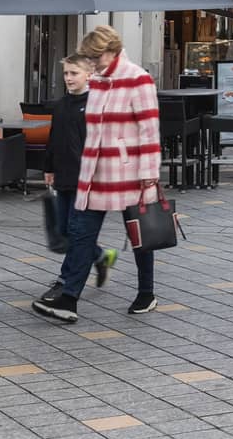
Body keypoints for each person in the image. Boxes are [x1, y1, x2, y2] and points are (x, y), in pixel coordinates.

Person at [34, 26, 160, 324]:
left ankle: (146, 292)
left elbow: (149, 129)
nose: (92, 62)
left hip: (129, 171)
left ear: (112, 50)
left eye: (96, 56)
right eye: (89, 58)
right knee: (81, 232)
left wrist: (149, 174)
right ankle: (69, 299)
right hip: (95, 171)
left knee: (139, 233)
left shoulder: (137, 78)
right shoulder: (99, 81)